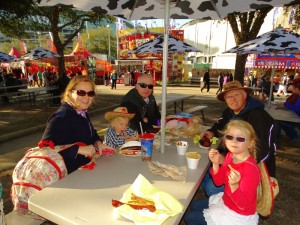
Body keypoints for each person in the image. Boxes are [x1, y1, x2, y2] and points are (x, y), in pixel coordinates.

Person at [200, 80, 276, 197]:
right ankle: (222, 199)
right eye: (228, 96)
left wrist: (229, 163)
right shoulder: (230, 111)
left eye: (236, 95)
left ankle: (230, 201)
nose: (232, 99)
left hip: (252, 169)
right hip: (232, 159)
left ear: (245, 95)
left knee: (211, 187)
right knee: (203, 174)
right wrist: (211, 132)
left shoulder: (258, 116)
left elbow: (263, 151)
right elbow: (221, 123)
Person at [185, 120, 261, 225]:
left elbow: (243, 205)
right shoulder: (231, 155)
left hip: (237, 215)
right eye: (230, 137)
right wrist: (216, 164)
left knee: (190, 218)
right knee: (194, 206)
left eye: (240, 138)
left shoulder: (250, 170)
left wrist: (234, 186)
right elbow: (218, 182)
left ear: (250, 143)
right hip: (226, 200)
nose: (234, 141)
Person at [41, 76, 116, 174]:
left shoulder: (81, 112)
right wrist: (78, 149)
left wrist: (98, 144)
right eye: (81, 92)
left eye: (90, 93)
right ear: (70, 93)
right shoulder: (61, 116)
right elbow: (45, 148)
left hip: (82, 170)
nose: (86, 97)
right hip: (67, 176)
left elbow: (91, 134)